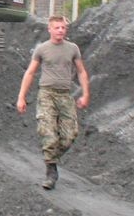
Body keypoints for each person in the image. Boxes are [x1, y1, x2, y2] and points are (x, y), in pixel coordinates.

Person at [15, 15, 90, 190]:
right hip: (46, 94)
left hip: (65, 95)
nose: (60, 31)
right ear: (49, 29)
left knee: (69, 135)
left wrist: (85, 94)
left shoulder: (73, 49)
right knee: (48, 133)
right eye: (57, 27)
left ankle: (51, 157)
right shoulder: (42, 49)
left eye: (63, 28)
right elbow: (30, 73)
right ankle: (51, 171)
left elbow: (81, 72)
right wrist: (21, 97)